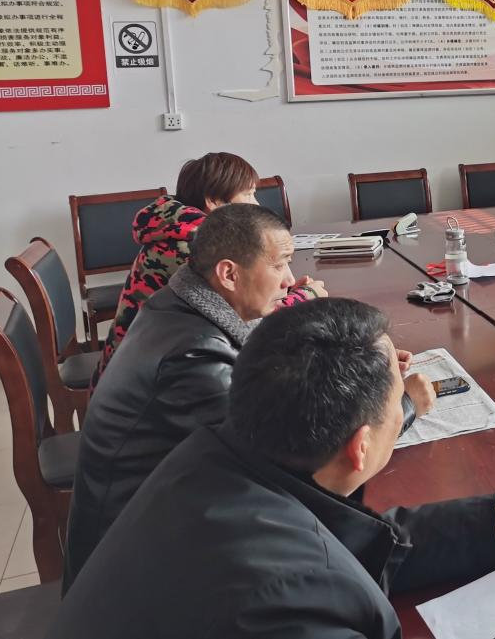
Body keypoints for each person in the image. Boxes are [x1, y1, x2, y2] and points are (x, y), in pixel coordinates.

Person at [51, 297, 495, 639]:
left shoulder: (213, 456)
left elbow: (329, 539)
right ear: (360, 447)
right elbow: (308, 570)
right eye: (398, 404)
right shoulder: (286, 602)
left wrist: (484, 527)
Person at [64, 204, 436, 590]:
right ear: (229, 273)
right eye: (280, 265)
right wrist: (401, 405)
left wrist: (361, 367)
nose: (290, 280)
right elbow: (289, 462)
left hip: (161, 525)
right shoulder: (193, 359)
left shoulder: (181, 307)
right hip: (133, 569)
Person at [92, 151, 324, 387]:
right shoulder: (195, 246)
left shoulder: (181, 229)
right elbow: (241, 318)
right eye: (248, 194)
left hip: (158, 363)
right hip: (146, 379)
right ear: (214, 201)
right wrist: (303, 299)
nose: (256, 204)